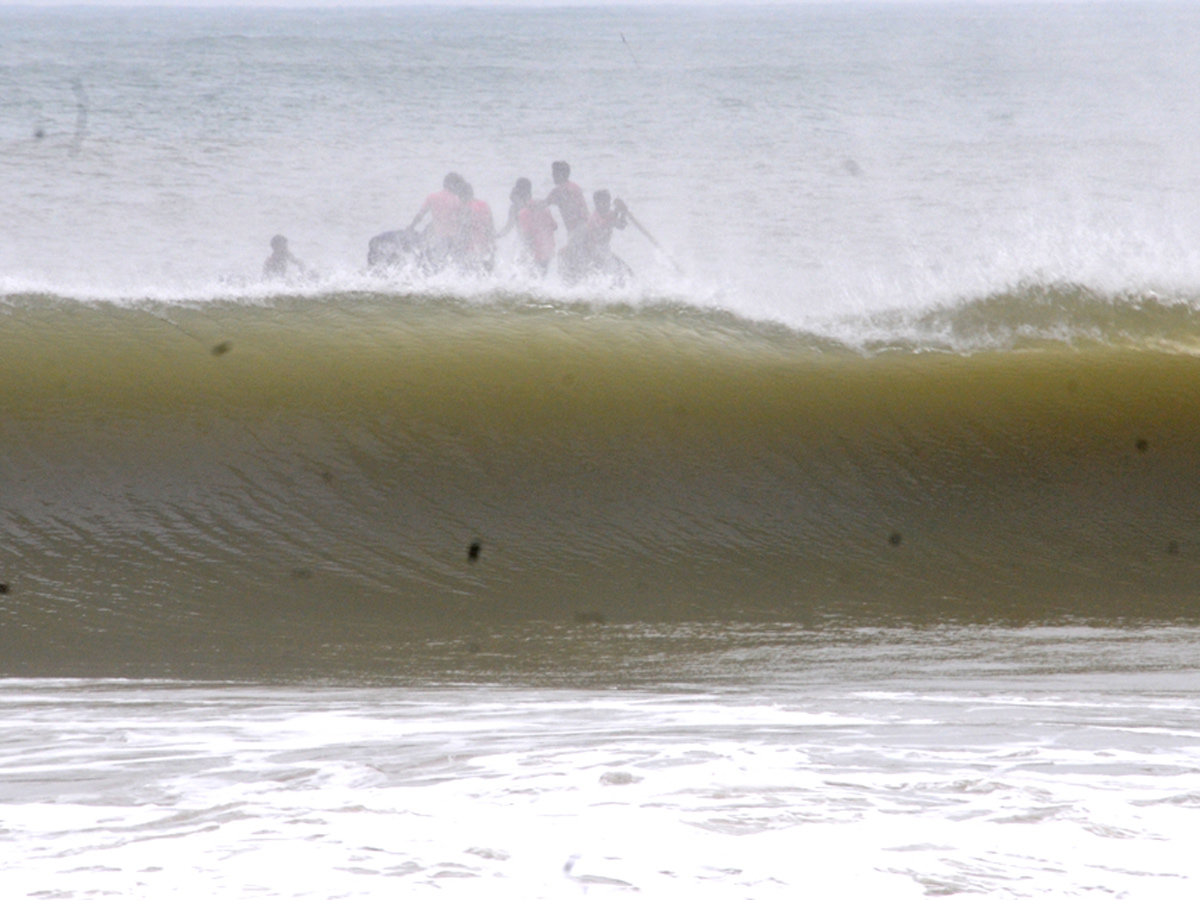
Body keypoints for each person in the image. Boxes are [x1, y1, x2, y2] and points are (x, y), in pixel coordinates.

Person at [408, 172, 467, 270]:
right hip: (453, 238)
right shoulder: (457, 200)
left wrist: (411, 226)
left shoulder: (432, 197)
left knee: (434, 263)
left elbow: (420, 215)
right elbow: (462, 220)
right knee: (450, 265)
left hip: (437, 236)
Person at [499, 177, 556, 276]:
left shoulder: (515, 208)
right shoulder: (540, 205)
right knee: (538, 275)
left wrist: (496, 236)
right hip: (542, 247)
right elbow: (553, 226)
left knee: (519, 273)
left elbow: (508, 228)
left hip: (526, 245)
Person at [546, 161, 590, 281]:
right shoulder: (574, 187)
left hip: (577, 229)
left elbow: (544, 204)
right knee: (576, 256)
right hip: (586, 226)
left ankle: (572, 284)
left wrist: (528, 205)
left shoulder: (560, 190)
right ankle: (579, 280)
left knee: (566, 256)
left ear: (561, 174)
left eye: (554, 173)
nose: (552, 176)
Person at [584, 190, 632, 284]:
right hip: (594, 252)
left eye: (608, 202)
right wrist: (617, 212)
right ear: (596, 204)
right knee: (609, 278)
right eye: (604, 202)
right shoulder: (593, 218)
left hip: (605, 250)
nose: (607, 205)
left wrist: (623, 213)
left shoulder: (609, 214)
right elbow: (603, 228)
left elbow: (621, 226)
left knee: (627, 273)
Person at [456, 182, 496, 274]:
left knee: (471, 274)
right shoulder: (484, 204)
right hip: (488, 246)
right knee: (488, 274)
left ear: (462, 195)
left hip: (472, 247)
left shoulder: (465, 207)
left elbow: (465, 229)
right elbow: (491, 225)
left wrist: (459, 245)